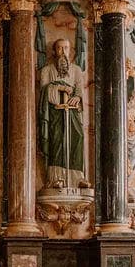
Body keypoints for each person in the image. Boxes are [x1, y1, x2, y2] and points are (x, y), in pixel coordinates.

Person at [37, 38, 87, 188]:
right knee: (57, 142)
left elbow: (79, 89)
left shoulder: (76, 70)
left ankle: (78, 179)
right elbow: (44, 91)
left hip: (72, 113)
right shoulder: (47, 70)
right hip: (54, 113)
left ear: (70, 51)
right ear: (54, 51)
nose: (63, 51)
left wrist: (77, 97)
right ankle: (56, 179)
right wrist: (59, 88)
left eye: (66, 48)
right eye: (59, 48)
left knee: (77, 138)